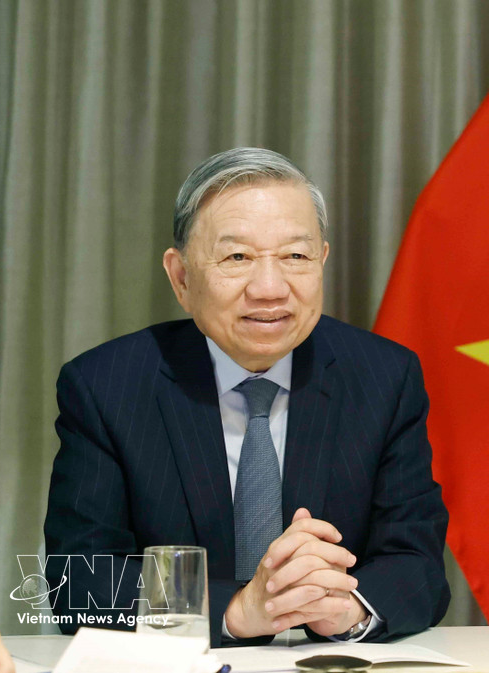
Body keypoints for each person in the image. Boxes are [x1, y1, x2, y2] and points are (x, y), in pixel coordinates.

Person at [44, 148, 450, 647]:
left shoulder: (386, 376)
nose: (269, 288)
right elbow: (79, 581)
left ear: (321, 262)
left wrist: (345, 609)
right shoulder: (106, 386)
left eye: (295, 256)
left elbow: (419, 565)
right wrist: (238, 611)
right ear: (182, 277)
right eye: (237, 257)